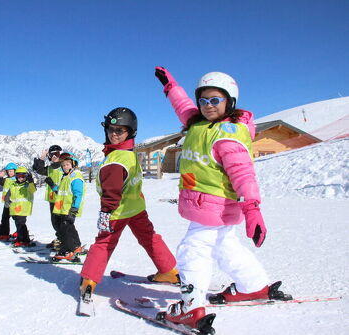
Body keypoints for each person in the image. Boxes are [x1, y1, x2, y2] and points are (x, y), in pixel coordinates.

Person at [153, 67, 290, 333]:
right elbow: (183, 106)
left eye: (215, 100)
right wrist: (171, 86)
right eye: (203, 100)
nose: (208, 106)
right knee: (225, 246)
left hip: (213, 205)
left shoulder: (228, 134)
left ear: (230, 101)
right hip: (210, 205)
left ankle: (190, 308)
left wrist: (252, 209)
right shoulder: (198, 122)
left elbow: (243, 174)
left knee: (193, 249)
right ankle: (253, 286)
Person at [79, 108, 179, 300]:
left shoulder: (115, 160)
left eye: (119, 130)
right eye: (111, 129)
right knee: (149, 237)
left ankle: (89, 281)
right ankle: (169, 270)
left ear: (130, 132)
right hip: (136, 208)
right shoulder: (129, 153)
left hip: (117, 212)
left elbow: (111, 192)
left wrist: (105, 213)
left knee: (104, 243)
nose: (114, 134)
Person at [44, 152, 84, 261]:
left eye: (67, 164)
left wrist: (74, 210)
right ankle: (76, 247)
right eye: (63, 165)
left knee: (64, 229)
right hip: (63, 208)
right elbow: (61, 191)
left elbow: (78, 194)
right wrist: (52, 185)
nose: (65, 167)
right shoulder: (66, 176)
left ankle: (67, 251)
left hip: (69, 209)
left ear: (73, 164)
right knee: (69, 228)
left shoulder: (75, 176)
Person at [32, 144, 64, 249]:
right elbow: (38, 169)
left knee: (62, 222)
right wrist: (42, 158)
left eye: (57, 154)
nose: (55, 156)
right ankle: (60, 238)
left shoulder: (64, 166)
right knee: (55, 222)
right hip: (52, 199)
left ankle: (64, 241)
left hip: (63, 199)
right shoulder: (49, 168)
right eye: (52, 155)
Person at [8, 166, 37, 247]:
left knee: (21, 223)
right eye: (18, 176)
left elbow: (33, 190)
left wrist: (31, 182)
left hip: (23, 208)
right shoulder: (13, 185)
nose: (21, 178)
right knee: (18, 223)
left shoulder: (28, 185)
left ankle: (24, 240)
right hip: (14, 208)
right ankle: (21, 238)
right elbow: (10, 195)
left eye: (23, 176)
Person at [0, 162, 18, 241]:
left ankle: (20, 231)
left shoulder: (17, 179)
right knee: (5, 218)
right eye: (8, 171)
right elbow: (2, 183)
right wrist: (0, 177)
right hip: (6, 202)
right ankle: (4, 234)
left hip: (13, 202)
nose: (10, 173)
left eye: (11, 171)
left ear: (15, 171)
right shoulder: (7, 179)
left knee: (16, 218)